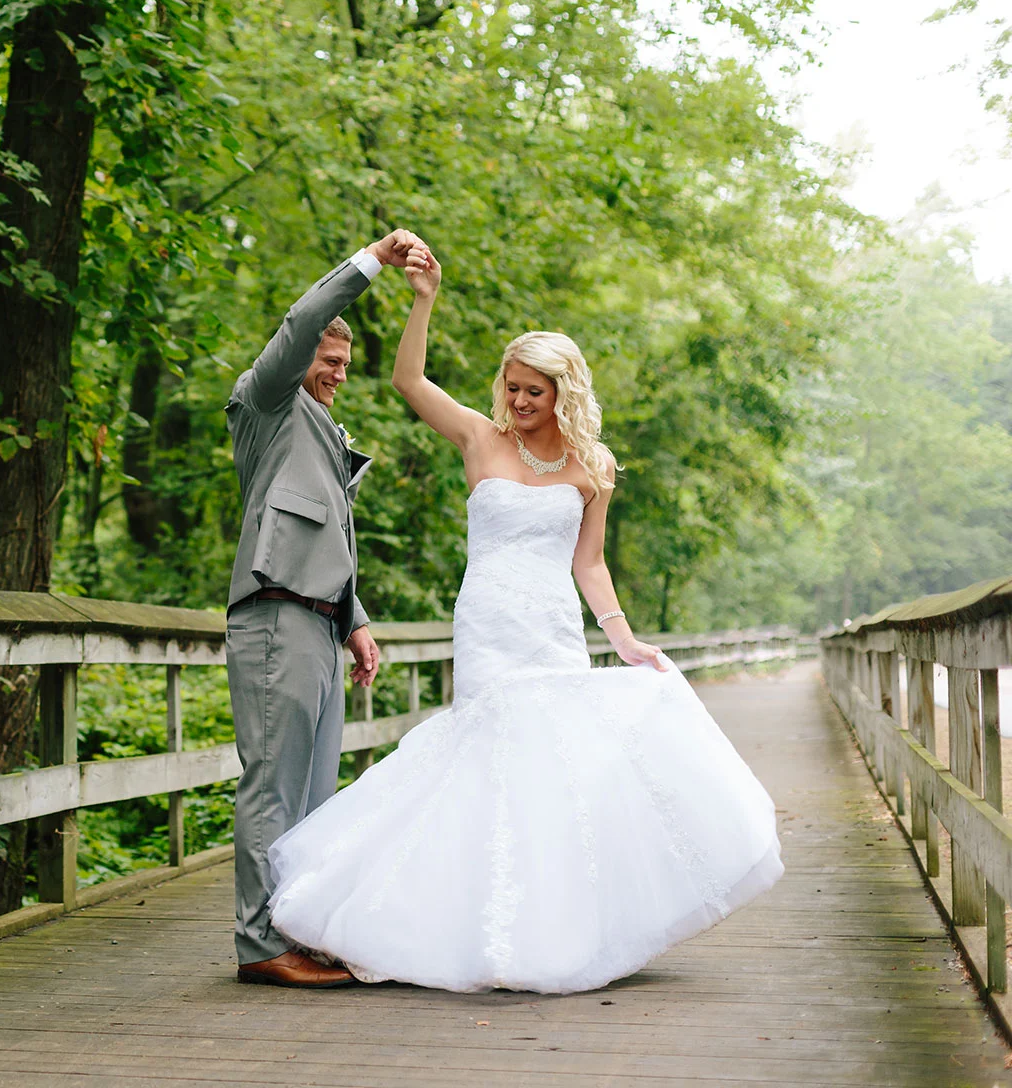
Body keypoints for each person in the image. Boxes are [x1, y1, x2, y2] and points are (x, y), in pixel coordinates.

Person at [264, 250, 783, 993]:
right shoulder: (483, 440)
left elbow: (589, 564)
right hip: (488, 623)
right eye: (511, 387)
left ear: (562, 391)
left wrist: (623, 638)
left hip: (551, 626)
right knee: (488, 760)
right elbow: (409, 382)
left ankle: (551, 928)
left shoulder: (593, 466)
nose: (519, 400)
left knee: (556, 770)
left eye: (533, 390)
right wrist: (423, 298)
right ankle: (455, 924)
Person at [224, 229, 436, 989]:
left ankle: (301, 930)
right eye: (330, 360)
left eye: (346, 364)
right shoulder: (268, 400)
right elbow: (304, 317)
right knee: (273, 790)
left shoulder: (321, 423)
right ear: (300, 356)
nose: (340, 374)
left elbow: (323, 535)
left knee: (315, 801)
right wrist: (373, 260)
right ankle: (260, 945)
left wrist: (357, 621)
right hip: (275, 622)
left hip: (320, 624)